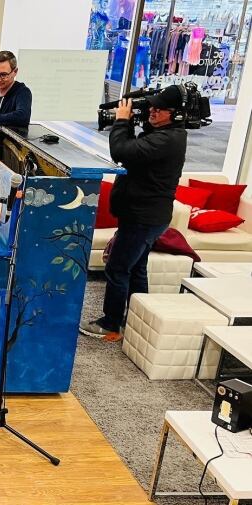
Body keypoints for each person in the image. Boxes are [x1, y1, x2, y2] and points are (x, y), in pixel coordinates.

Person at [80, 84, 188, 340]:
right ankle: (140, 320)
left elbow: (121, 152)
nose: (152, 111)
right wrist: (130, 118)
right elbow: (131, 152)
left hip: (144, 218)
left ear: (175, 114)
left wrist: (121, 121)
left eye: (160, 109)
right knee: (136, 268)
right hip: (144, 216)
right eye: (152, 105)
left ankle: (110, 324)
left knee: (118, 269)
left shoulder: (167, 139)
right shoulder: (162, 134)